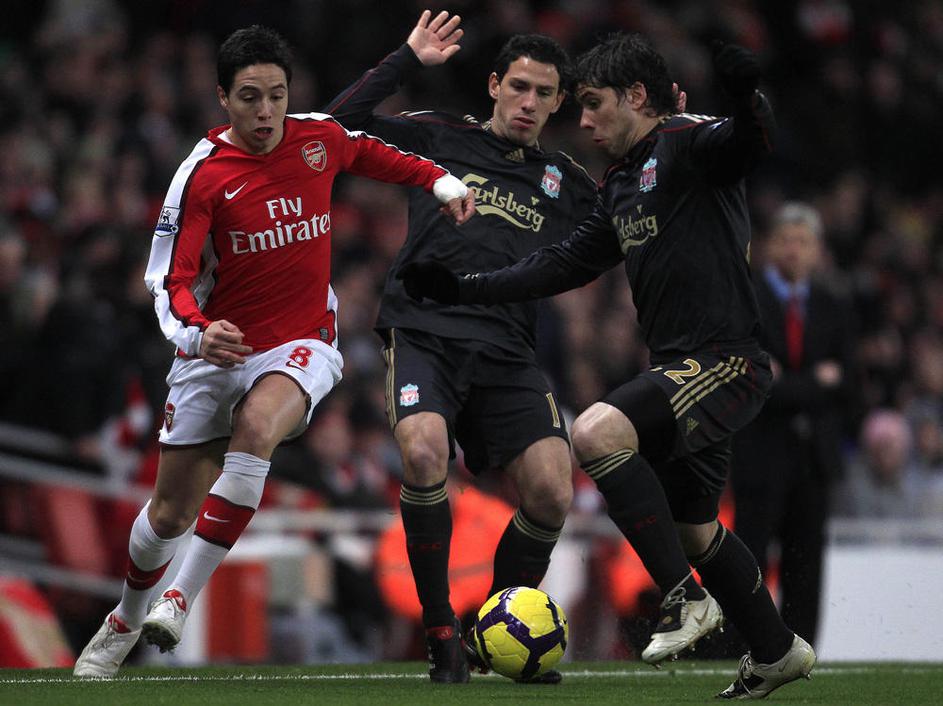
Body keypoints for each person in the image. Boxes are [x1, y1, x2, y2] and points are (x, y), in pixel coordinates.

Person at [400, 34, 817, 699]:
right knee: (693, 528)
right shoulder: (621, 182)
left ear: (636, 97)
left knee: (594, 431)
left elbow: (748, 140)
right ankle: (775, 650)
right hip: (678, 369)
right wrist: (464, 288)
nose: (583, 120)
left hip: (725, 361)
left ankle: (682, 599)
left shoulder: (688, 141)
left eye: (592, 104)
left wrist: (744, 94)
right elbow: (560, 265)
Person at [72, 24, 474, 678]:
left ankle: (179, 598)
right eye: (250, 97)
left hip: (301, 340)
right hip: (216, 348)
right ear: (223, 98)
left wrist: (440, 183)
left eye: (277, 96)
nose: (266, 112)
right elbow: (168, 280)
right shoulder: (201, 176)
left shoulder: (317, 139)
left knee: (258, 428)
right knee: (168, 514)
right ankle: (125, 618)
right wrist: (199, 332)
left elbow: (377, 154)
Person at [323, 11, 598, 683]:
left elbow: (631, 224)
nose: (528, 102)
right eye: (519, 87)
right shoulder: (437, 135)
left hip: (507, 352)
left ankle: (491, 631)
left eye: (544, 93)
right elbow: (334, 127)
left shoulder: (566, 181)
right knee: (423, 453)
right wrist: (405, 58)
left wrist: (658, 137)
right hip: (425, 334)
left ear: (558, 103)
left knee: (552, 491)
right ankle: (441, 630)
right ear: (495, 86)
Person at [730, 202, 855, 649]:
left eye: (803, 242)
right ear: (770, 245)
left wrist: (787, 383)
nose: (794, 250)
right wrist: (816, 382)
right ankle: (740, 647)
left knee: (806, 563)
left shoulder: (833, 304)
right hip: (760, 453)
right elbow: (752, 378)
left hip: (813, 458)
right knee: (750, 558)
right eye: (786, 240)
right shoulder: (747, 300)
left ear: (817, 249)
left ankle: (799, 651)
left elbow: (850, 382)